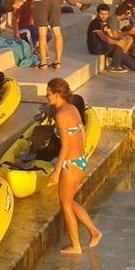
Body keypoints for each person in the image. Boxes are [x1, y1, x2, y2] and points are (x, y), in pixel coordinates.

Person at [46, 78, 102, 255]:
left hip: (70, 164)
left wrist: (56, 171)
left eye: (48, 94)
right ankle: (94, 231)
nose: (46, 96)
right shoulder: (73, 109)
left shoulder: (61, 115)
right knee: (69, 201)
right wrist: (82, 156)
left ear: (56, 94)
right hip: (80, 162)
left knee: (65, 205)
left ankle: (75, 245)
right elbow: (82, 132)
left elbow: (66, 146)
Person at [86, 4, 135, 73]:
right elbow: (105, 39)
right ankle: (115, 66)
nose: (104, 16)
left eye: (106, 14)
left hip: (104, 46)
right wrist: (117, 42)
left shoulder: (105, 22)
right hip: (97, 48)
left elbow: (112, 35)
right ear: (98, 13)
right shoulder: (95, 23)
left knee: (122, 49)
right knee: (118, 46)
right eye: (102, 14)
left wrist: (124, 36)